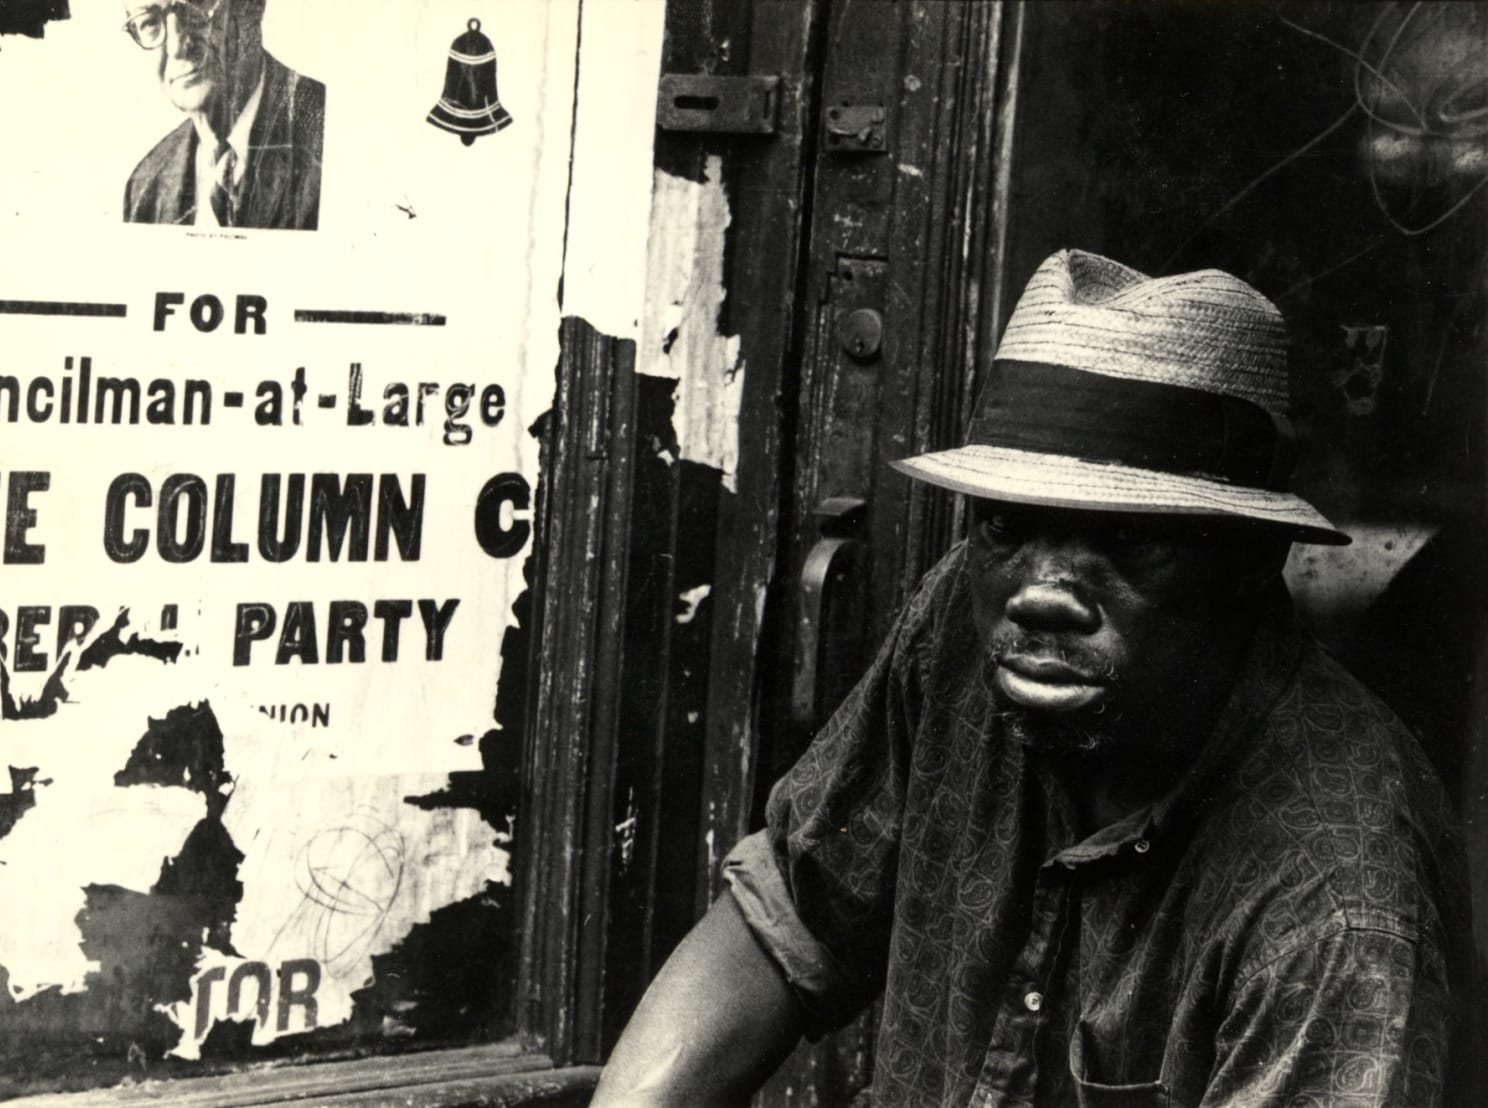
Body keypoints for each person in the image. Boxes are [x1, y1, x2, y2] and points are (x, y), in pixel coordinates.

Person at [592, 250, 1469, 1107]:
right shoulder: (964, 629)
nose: (1042, 593)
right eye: (1008, 525)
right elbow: (795, 909)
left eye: (1130, 538)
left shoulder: (1341, 902)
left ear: (1249, 562)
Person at [122, 0, 323, 230]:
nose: (177, 46)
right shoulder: (144, 188)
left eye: (195, 6)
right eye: (149, 22)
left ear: (253, 6)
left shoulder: (332, 133)